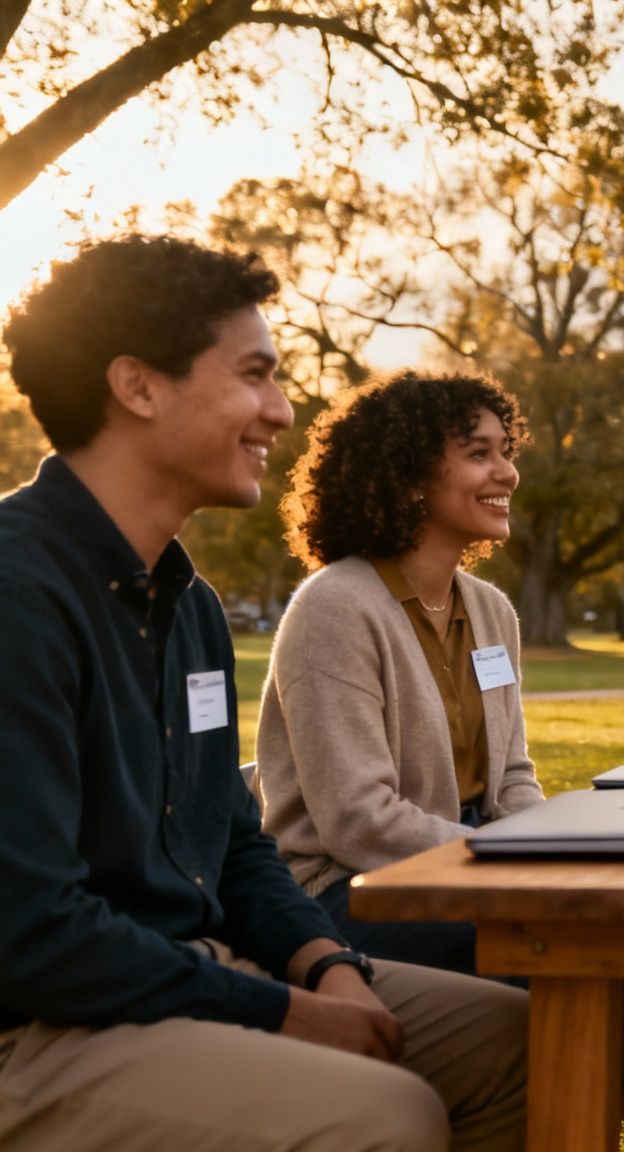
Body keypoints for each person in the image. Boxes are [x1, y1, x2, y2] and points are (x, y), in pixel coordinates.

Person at [0, 235, 526, 1151]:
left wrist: (325, 963)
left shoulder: (189, 606)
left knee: (518, 1041)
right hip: (41, 1021)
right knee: (387, 1114)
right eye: (255, 375)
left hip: (195, 968)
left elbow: (235, 843)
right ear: (138, 386)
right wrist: (274, 1009)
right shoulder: (19, 595)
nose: (282, 412)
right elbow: (32, 931)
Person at [256, 370, 624, 1150]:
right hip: (348, 898)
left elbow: (513, 779)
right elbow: (358, 822)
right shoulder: (335, 607)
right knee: (592, 955)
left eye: (506, 451)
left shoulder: (490, 609)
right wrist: (519, 861)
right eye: (478, 454)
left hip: (472, 868)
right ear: (410, 474)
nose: (508, 473)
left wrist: (550, 850)